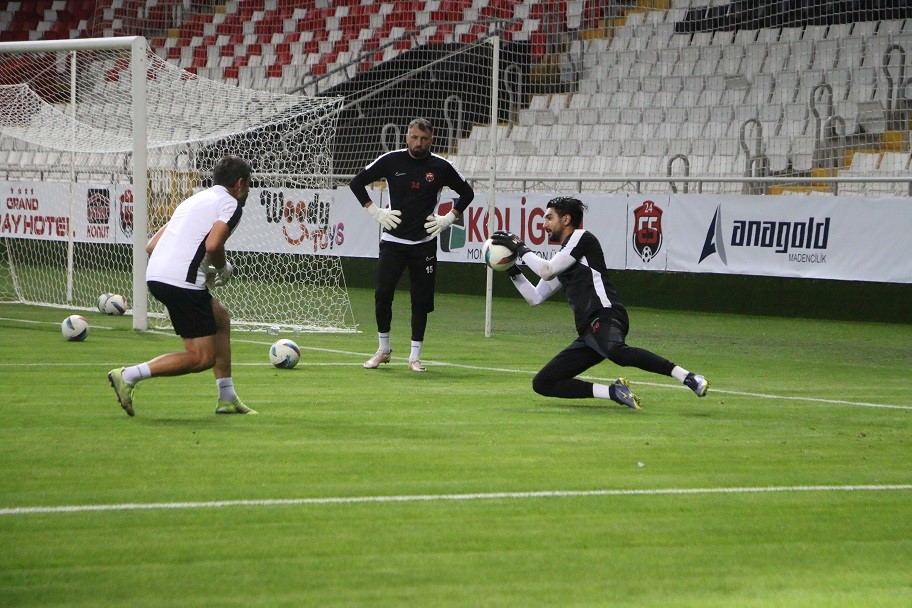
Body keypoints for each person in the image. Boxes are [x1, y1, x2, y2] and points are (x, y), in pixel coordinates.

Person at [492, 196, 709, 409]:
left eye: (549, 218)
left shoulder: (582, 237)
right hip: (589, 333)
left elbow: (546, 271)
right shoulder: (564, 256)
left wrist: (520, 248)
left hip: (605, 314)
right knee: (543, 383)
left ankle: (688, 377)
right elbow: (535, 298)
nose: (544, 224)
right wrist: (512, 270)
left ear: (566, 219)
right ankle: (613, 392)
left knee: (618, 352)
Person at [107, 155, 256, 416]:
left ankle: (227, 397)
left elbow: (151, 246)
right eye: (249, 184)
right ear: (241, 183)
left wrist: (199, 271)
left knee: (220, 317)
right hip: (181, 283)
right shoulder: (231, 205)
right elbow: (212, 246)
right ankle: (128, 375)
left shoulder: (194, 200)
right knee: (201, 358)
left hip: (156, 275)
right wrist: (222, 269)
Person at [350, 117, 475, 371]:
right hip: (393, 240)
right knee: (383, 294)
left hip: (424, 243)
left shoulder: (441, 166)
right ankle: (383, 349)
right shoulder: (391, 160)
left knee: (420, 300)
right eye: (415, 137)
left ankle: (415, 356)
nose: (419, 143)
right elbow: (356, 182)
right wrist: (375, 211)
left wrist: (449, 218)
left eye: (424, 139)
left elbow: (467, 192)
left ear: (432, 140)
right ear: (407, 137)